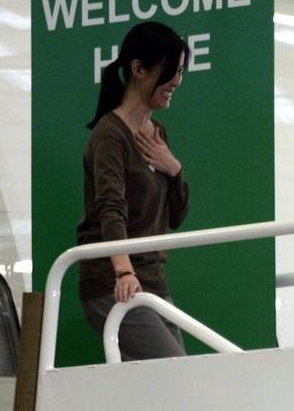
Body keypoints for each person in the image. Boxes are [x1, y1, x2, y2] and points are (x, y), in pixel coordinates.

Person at [76, 21, 191, 361]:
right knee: (177, 376)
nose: (176, 82)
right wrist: (124, 272)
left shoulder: (156, 133)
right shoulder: (109, 135)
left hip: (153, 282)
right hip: (116, 284)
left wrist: (175, 169)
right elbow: (111, 209)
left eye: (181, 72)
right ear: (138, 69)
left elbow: (177, 216)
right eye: (170, 71)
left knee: (179, 382)